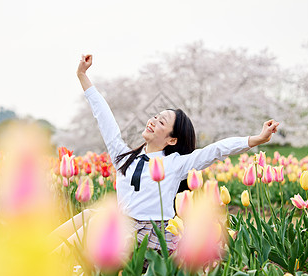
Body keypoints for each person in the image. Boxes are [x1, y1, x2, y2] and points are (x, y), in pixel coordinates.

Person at [51, 54, 279, 254]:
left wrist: (256, 139)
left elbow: (216, 150)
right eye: (155, 116)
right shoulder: (123, 156)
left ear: (172, 139)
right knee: (91, 214)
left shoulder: (176, 163)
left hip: (150, 235)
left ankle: (53, 262)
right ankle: (41, 251)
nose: (152, 121)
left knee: (96, 225)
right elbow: (104, 117)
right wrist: (82, 76)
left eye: (161, 121)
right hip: (123, 225)